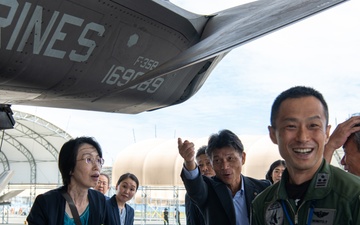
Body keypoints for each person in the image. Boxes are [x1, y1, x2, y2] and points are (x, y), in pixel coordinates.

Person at [251, 86, 360, 225]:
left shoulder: (353, 196)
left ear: (327, 133)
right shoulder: (263, 203)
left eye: (313, 125)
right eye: (291, 126)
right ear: (273, 134)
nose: (302, 137)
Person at [178, 129, 271, 225]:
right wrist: (189, 161)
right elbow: (196, 187)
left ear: (243, 158)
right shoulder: (208, 189)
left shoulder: (263, 188)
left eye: (230, 158)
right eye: (217, 161)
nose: (225, 166)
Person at [27, 136, 108, 225]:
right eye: (88, 159)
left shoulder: (100, 201)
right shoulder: (45, 203)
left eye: (98, 160)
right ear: (70, 168)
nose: (97, 166)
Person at [185, 145, 215, 225]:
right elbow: (191, 221)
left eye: (208, 163)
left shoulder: (226, 188)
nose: (204, 168)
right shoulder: (192, 194)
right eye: (200, 165)